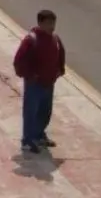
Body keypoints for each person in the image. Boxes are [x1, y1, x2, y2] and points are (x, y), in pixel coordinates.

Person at [13, 9, 65, 154]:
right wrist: (30, 76)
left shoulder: (54, 38)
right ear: (40, 23)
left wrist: (59, 70)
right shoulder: (31, 40)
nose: (52, 26)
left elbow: (60, 53)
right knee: (31, 112)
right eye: (48, 23)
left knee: (45, 111)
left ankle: (39, 135)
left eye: (53, 23)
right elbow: (19, 61)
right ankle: (28, 141)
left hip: (49, 82)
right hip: (34, 84)